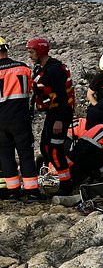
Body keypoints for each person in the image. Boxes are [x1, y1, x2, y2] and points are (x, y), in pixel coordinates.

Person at [27, 38, 75, 196]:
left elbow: (62, 97)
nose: (29, 55)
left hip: (60, 114)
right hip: (52, 113)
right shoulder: (41, 68)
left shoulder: (54, 70)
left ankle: (66, 184)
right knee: (45, 148)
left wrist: (60, 120)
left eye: (32, 51)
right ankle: (67, 172)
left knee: (54, 149)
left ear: (40, 51)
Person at [0, 37, 39, 199]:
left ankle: (13, 192)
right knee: (26, 154)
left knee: (5, 155)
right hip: (20, 119)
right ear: (6, 49)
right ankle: (32, 192)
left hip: (1, 121)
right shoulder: (23, 68)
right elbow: (34, 89)